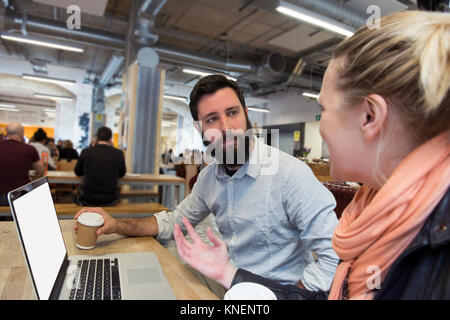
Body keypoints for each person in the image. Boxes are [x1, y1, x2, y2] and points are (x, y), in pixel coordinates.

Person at [173, 10, 450, 300]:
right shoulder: (371, 215)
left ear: (370, 116)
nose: (321, 129)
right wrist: (228, 274)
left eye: (325, 109)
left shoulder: (430, 260)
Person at [75, 75, 339, 296]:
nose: (225, 128)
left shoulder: (291, 174)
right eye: (211, 119)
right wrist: (117, 224)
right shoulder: (210, 178)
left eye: (232, 113)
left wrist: (294, 296)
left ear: (247, 116)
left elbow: (334, 258)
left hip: (277, 292)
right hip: (226, 284)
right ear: (199, 129)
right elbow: (174, 222)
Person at [74, 126, 126, 206]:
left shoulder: (86, 152)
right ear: (110, 139)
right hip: (110, 199)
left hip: (88, 198)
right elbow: (122, 173)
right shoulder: (118, 153)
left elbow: (77, 172)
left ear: (97, 138)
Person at [0, 122, 44, 206]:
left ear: (6, 133)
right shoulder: (29, 149)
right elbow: (40, 171)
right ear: (22, 134)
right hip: (19, 195)